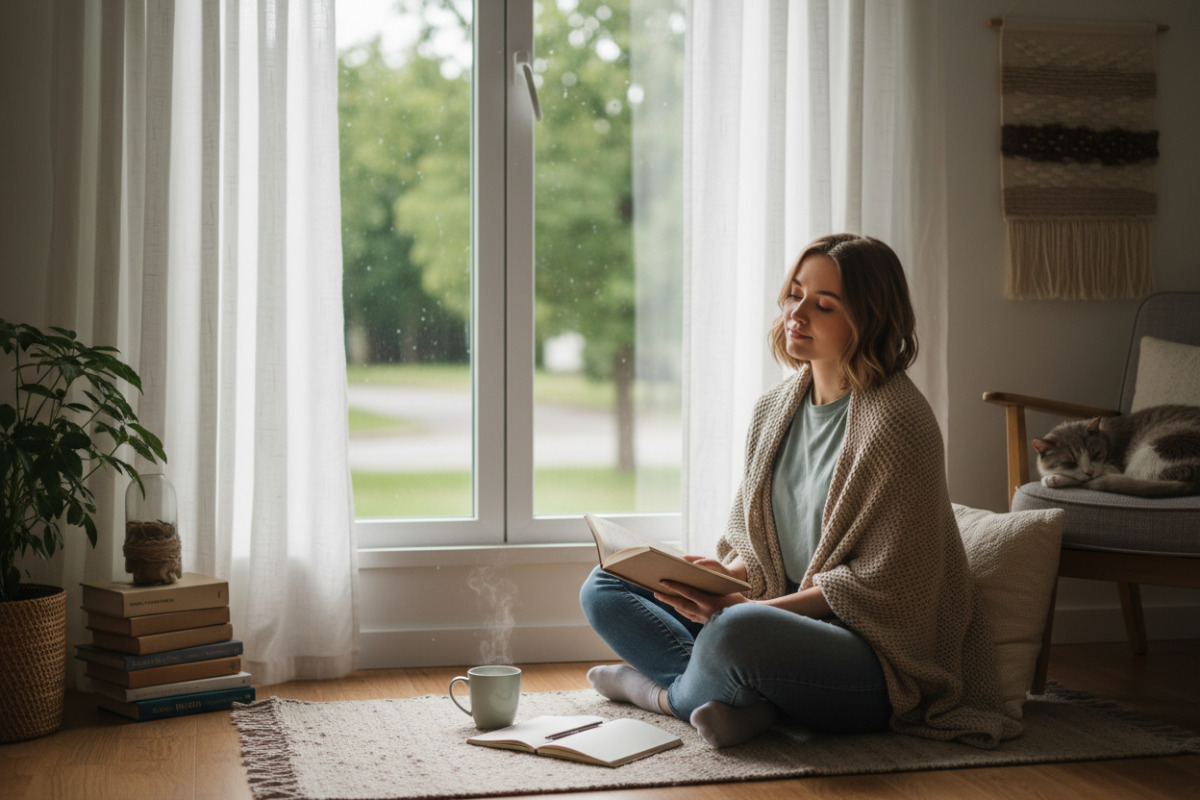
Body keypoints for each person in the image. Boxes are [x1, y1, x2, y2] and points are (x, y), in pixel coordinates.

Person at [579, 233, 1021, 749]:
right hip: (776, 620)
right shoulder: (775, 408)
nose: (797, 313)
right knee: (605, 586)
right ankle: (742, 704)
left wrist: (740, 612)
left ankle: (659, 696)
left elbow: (890, 592)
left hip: (870, 656)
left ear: (870, 318)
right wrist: (729, 579)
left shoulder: (899, 422)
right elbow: (767, 548)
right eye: (795, 294)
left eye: (824, 304)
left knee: (734, 634)